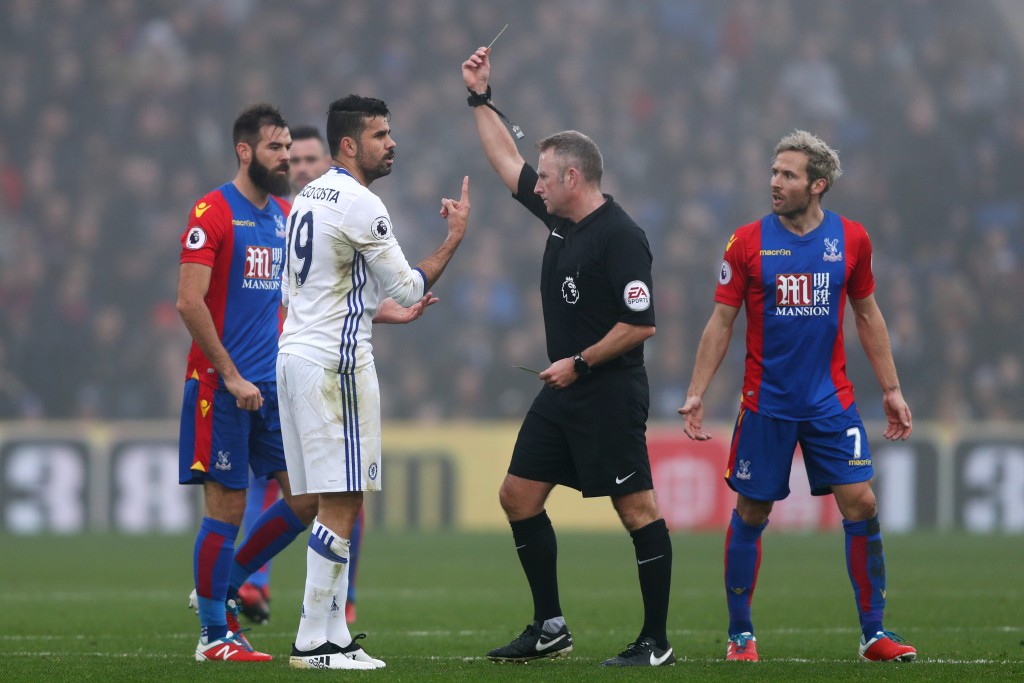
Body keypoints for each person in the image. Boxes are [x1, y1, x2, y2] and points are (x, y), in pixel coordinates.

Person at [462, 47, 675, 668]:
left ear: (573, 180)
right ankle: (550, 625)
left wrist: (580, 361)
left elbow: (642, 324)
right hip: (563, 390)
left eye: (548, 177)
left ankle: (655, 642)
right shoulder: (559, 219)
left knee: (636, 509)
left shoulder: (621, 236)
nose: (538, 184)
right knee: (517, 496)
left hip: (606, 390)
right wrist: (479, 95)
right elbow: (507, 162)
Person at [677, 130, 917, 663]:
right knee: (752, 512)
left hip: (831, 401)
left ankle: (873, 634)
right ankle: (741, 636)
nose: (775, 182)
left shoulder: (852, 239)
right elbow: (721, 321)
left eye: (787, 174)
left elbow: (868, 314)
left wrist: (892, 390)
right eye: (773, 172)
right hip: (767, 405)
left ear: (818, 184)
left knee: (863, 503)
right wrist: (696, 393)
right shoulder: (745, 242)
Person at [280, 94, 471, 670]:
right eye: (380, 135)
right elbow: (410, 287)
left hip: (295, 352)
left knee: (339, 500)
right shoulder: (362, 204)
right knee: (341, 502)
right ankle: (313, 641)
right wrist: (455, 237)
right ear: (349, 144)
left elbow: (322, 287)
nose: (391, 144)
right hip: (334, 365)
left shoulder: (308, 196)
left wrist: (369, 309)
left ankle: (334, 633)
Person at [177, 103, 319, 662]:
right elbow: (189, 302)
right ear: (245, 151)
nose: (287, 158)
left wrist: (389, 311)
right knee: (227, 509)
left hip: (272, 388)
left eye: (288, 148)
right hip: (221, 388)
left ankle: (222, 584)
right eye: (276, 149)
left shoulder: (283, 215)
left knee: (306, 499)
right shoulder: (212, 211)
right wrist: (231, 376)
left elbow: (306, 300)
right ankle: (214, 636)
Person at [236, 124, 365, 627]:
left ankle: (341, 594)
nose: (304, 167)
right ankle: (250, 583)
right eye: (297, 160)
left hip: (329, 368)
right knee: (273, 481)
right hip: (277, 368)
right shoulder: (277, 220)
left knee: (341, 485)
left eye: (313, 160)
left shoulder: (331, 217)